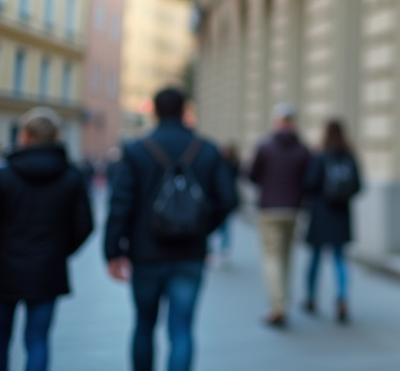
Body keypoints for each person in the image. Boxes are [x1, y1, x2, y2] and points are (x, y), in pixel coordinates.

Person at [104, 87, 237, 371]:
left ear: (154, 111)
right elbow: (228, 199)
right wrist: (202, 227)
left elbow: (120, 204)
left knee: (144, 325)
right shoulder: (207, 149)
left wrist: (113, 251)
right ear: (184, 111)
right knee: (182, 331)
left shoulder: (137, 150)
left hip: (145, 253)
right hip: (189, 254)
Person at [0, 108, 93, 371]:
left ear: (25, 136)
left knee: (1, 341)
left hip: (4, 268)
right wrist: (60, 250)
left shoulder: (5, 176)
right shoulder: (71, 177)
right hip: (46, 268)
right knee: (38, 341)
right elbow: (84, 225)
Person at [248, 102, 310, 327]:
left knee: (272, 258)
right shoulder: (302, 149)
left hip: (269, 208)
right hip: (293, 208)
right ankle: (284, 302)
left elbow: (251, 174)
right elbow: (309, 178)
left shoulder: (265, 147)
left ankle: (278, 306)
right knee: (286, 257)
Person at [301, 120, 361, 323]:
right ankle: (342, 299)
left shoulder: (320, 156)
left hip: (320, 215)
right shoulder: (349, 156)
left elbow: (309, 182)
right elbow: (358, 185)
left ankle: (310, 298)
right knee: (340, 259)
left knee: (315, 259)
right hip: (341, 215)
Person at [211, 143, 240, 265]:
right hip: (223, 198)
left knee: (223, 226)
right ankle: (221, 251)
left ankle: (220, 251)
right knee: (223, 226)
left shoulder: (224, 163)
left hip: (220, 199)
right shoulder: (231, 163)